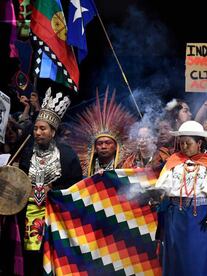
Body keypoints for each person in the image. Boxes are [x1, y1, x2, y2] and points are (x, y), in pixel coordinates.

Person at [18, 88, 83, 276]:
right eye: (36, 128)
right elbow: (20, 179)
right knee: (31, 260)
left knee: (54, 261)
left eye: (42, 128)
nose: (37, 132)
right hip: (29, 216)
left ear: (53, 132)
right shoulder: (27, 152)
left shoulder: (68, 155)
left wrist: (53, 190)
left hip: (55, 217)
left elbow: (75, 187)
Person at [154, 120, 207, 275]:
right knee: (177, 260)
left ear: (199, 143)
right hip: (176, 218)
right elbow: (162, 189)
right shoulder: (173, 163)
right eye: (181, 144)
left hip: (202, 217)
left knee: (201, 261)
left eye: (188, 143)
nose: (184, 147)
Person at [68, 88, 136, 176]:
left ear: (116, 146)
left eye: (108, 143)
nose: (103, 146)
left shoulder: (126, 166)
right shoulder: (85, 170)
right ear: (95, 148)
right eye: (100, 143)